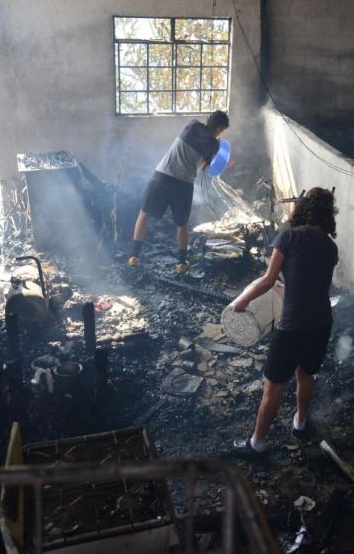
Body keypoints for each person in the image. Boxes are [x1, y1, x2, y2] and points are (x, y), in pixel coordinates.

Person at [229, 188, 339, 453]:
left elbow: (268, 280)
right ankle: (300, 423)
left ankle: (256, 444)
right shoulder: (331, 247)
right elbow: (311, 280)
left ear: (302, 208)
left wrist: (242, 301)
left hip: (292, 326)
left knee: (274, 386)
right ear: (328, 214)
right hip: (322, 322)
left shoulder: (288, 237)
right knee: (306, 374)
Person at [128, 110, 228, 273]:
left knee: (144, 213)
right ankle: (181, 263)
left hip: (161, 176)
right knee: (181, 224)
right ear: (220, 128)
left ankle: (134, 256)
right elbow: (204, 168)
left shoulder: (192, 125)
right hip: (183, 185)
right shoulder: (214, 144)